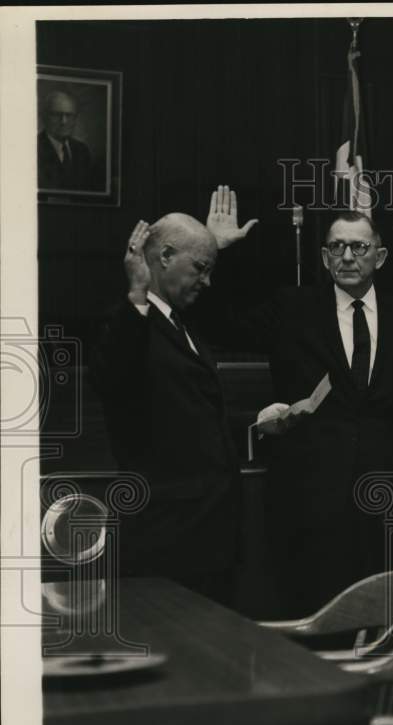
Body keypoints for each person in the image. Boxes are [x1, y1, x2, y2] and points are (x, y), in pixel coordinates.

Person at [202, 187, 393, 618]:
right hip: (307, 501)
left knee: (381, 620)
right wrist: (220, 251)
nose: (347, 256)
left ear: (379, 257)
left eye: (359, 247)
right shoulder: (293, 309)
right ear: (325, 258)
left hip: (384, 500)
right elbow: (219, 323)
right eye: (337, 248)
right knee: (310, 619)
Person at [91, 214, 242, 605]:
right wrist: (137, 294)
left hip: (207, 533)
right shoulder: (126, 321)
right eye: (200, 268)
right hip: (165, 534)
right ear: (165, 256)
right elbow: (117, 379)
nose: (206, 281)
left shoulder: (182, 324)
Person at [38, 90, 95, 191]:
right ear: (44, 117)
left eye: (69, 115)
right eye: (56, 115)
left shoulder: (82, 150)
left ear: (75, 119)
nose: (64, 121)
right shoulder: (34, 147)